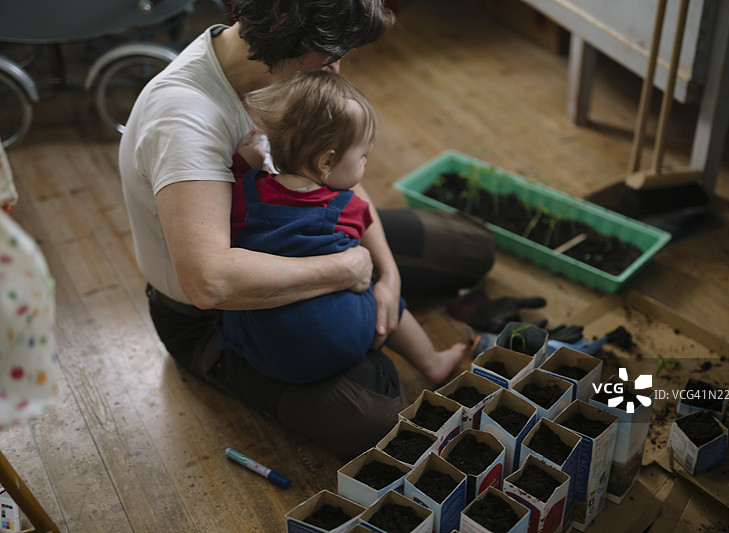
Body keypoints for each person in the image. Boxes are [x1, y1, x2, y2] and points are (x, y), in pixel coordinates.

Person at [119, 0, 494, 458]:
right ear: (283, 27)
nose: (337, 67)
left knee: (471, 249)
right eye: (330, 52)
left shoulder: (284, 73)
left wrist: (387, 276)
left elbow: (336, 180)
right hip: (213, 317)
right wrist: (350, 268)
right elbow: (209, 282)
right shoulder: (185, 116)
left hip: (304, 236)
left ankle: (357, 329)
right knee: (376, 419)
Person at [222, 70, 466, 386]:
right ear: (326, 162)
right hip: (352, 336)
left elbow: (237, 170)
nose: (366, 163)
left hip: (273, 360)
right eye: (363, 155)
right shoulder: (344, 207)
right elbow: (365, 226)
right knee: (385, 295)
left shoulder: (246, 194)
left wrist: (246, 155)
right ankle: (432, 362)